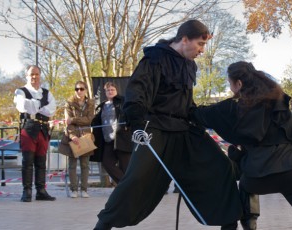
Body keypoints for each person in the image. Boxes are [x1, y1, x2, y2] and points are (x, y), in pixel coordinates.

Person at [94, 20, 242, 229]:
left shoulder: (189, 65)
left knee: (221, 165)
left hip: (184, 130)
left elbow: (186, 104)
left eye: (204, 46)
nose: (202, 50)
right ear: (184, 39)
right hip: (156, 129)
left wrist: (209, 114)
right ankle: (103, 224)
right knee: (136, 180)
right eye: (200, 44)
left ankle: (229, 224)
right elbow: (136, 96)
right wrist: (138, 125)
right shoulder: (154, 59)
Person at [191, 61, 292, 230]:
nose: (230, 88)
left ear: (239, 84)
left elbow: (199, 114)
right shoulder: (278, 98)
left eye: (230, 83)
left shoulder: (231, 108)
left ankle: (246, 224)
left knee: (243, 184)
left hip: (260, 175)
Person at [14, 65, 57, 202]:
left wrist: (33, 105)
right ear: (27, 76)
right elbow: (22, 106)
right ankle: (26, 191)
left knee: (41, 161)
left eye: (37, 74)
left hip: (43, 128)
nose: (34, 77)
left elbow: (51, 110)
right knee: (28, 161)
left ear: (40, 75)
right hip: (29, 127)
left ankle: (41, 190)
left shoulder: (47, 93)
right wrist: (40, 105)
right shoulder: (20, 91)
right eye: (32, 74)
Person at [91, 82, 132, 184]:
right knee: (107, 162)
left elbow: (131, 114)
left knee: (125, 166)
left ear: (116, 91)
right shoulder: (103, 106)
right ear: (105, 92)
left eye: (112, 89)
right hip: (107, 140)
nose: (110, 91)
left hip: (122, 139)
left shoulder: (123, 101)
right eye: (108, 90)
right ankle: (126, 185)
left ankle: (126, 188)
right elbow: (95, 121)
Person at [63, 81, 95, 198]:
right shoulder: (69, 103)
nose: (79, 91)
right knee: (72, 165)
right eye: (77, 89)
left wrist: (74, 120)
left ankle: (84, 189)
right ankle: (74, 190)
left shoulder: (91, 103)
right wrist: (72, 136)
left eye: (81, 89)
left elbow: (90, 119)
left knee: (85, 165)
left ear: (86, 90)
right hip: (73, 136)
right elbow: (68, 122)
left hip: (86, 136)